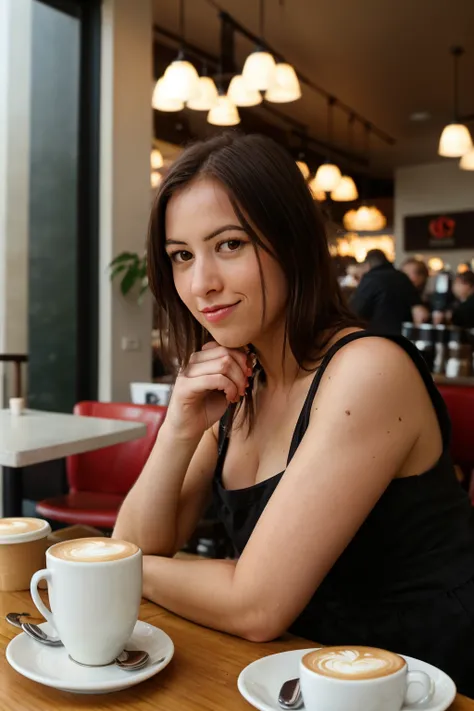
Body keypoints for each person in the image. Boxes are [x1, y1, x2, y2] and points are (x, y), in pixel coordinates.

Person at [113, 133, 474, 697]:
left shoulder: (366, 371)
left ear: (291, 241)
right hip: (293, 676)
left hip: (418, 684)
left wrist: (112, 573)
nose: (201, 282)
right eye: (181, 255)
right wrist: (181, 426)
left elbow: (255, 604)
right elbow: (140, 542)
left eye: (228, 245)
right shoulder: (238, 378)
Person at [351, 250, 428, 333]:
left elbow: (355, 311)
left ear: (368, 264)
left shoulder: (370, 279)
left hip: (377, 336)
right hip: (402, 337)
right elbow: (419, 311)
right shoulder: (402, 277)